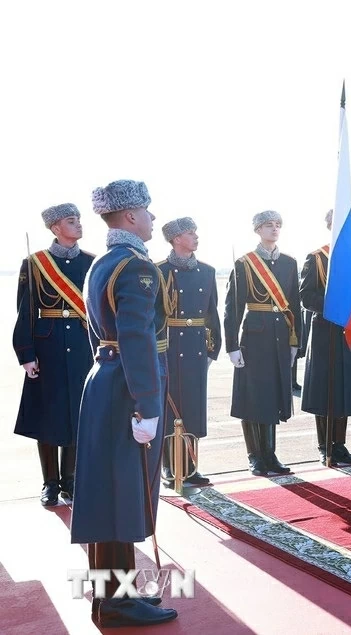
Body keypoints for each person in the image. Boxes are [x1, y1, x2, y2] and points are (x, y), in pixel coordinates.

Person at [70, 179, 177, 627]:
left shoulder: (102, 263)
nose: (153, 219)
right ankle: (115, 600)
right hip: (127, 390)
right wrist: (149, 405)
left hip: (106, 379)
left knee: (107, 494)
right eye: (148, 211)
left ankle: (114, 593)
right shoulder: (136, 266)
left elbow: (102, 331)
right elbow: (136, 338)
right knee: (120, 496)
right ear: (131, 216)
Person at [14, 203, 94, 506]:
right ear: (55, 228)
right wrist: (26, 353)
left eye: (78, 220)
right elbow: (25, 312)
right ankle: (50, 483)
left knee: (78, 413)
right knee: (47, 415)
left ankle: (70, 481)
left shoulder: (91, 262)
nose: (78, 225)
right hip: (46, 348)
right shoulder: (35, 263)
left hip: (83, 347)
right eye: (71, 221)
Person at [224, 210, 302, 476]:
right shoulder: (245, 263)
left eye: (278, 225)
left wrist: (296, 342)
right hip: (254, 337)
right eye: (268, 225)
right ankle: (255, 456)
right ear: (257, 229)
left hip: (281, 336)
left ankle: (270, 454)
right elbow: (232, 308)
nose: (274, 229)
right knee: (254, 397)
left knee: (273, 397)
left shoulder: (290, 263)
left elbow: (295, 306)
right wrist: (232, 346)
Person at [156, 217, 221, 487]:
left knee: (193, 408)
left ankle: (191, 468)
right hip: (169, 347)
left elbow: (212, 313)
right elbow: (154, 315)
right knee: (171, 409)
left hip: (195, 347)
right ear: (175, 239)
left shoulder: (207, 271)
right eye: (190, 233)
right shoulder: (158, 270)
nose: (196, 237)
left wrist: (212, 349)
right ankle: (172, 469)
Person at [300, 209, 351, 466]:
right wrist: (335, 307)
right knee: (325, 391)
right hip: (325, 333)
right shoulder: (316, 258)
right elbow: (306, 297)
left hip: (350, 332)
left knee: (346, 391)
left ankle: (340, 445)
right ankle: (324, 445)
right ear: (329, 225)